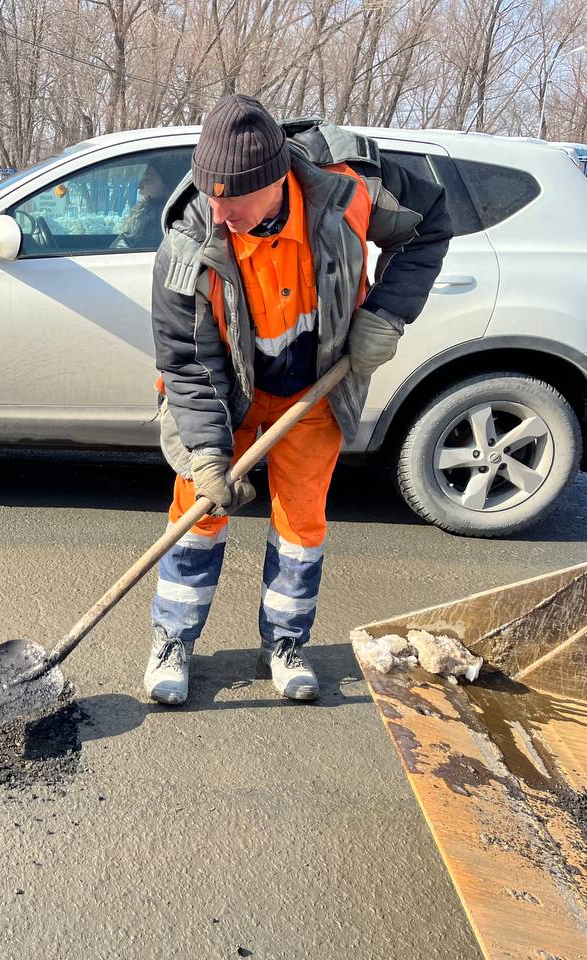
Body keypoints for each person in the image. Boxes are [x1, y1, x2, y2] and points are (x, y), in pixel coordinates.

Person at [145, 94, 452, 704]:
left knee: (301, 523)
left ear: (277, 180)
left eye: (234, 199)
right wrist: (208, 456)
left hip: (314, 392)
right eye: (212, 196)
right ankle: (172, 640)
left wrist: (387, 314)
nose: (221, 211)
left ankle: (285, 642)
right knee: (198, 514)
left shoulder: (348, 188)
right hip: (225, 397)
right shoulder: (188, 244)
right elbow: (186, 362)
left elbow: (429, 223)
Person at [114, 157, 167, 249]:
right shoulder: (146, 218)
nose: (140, 185)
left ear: (169, 185)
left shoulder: (155, 225)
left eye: (149, 178)